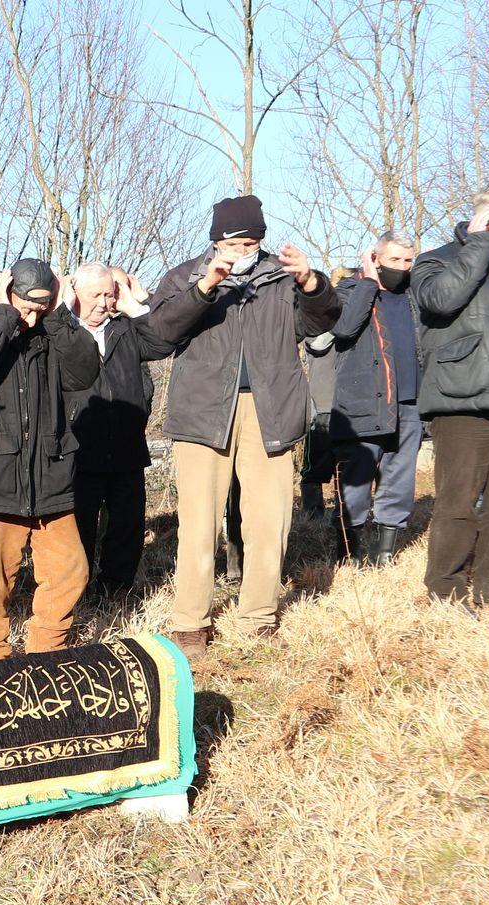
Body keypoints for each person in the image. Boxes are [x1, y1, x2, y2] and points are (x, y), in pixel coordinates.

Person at [149, 195, 339, 654]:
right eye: (233, 244)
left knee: (269, 519)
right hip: (203, 413)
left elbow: (322, 322)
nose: (242, 251)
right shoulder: (184, 276)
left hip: (271, 410)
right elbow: (158, 333)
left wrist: (312, 284)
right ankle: (191, 622)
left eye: (251, 242)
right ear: (215, 242)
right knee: (199, 523)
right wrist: (204, 290)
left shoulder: (282, 276)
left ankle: (259, 616)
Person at [0, 259, 102, 662]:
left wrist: (60, 317)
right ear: (6, 291)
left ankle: (45, 660)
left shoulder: (51, 326)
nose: (31, 318)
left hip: (50, 477)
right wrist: (3, 317)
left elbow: (85, 372)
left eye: (41, 307)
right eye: (25, 307)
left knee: (71, 571)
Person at [412, 184, 489, 603]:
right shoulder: (435, 261)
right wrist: (478, 245)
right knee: (458, 504)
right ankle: (446, 592)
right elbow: (442, 300)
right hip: (463, 398)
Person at [69, 266, 175, 597]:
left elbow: (162, 343)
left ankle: (116, 592)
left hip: (127, 446)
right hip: (79, 449)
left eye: (108, 294)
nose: (102, 302)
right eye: (94, 295)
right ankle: (78, 592)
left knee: (126, 527)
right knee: (79, 528)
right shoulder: (63, 333)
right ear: (76, 294)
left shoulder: (126, 328)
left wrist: (135, 304)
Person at [326, 233, 422, 565]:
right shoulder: (349, 291)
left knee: (399, 482)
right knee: (355, 484)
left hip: (408, 405)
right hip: (362, 404)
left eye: (408, 260)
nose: (402, 267)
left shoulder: (413, 296)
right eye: (394, 260)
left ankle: (383, 555)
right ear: (375, 258)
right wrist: (367, 281)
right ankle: (348, 556)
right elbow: (343, 329)